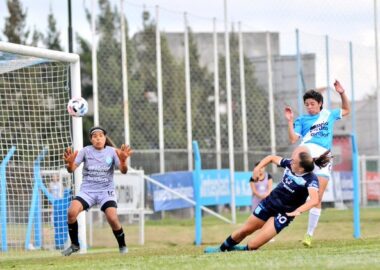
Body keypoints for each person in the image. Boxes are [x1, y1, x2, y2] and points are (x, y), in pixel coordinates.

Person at [204, 146, 330, 253]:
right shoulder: (290, 164)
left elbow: (314, 200)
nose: (291, 162)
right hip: (270, 203)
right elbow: (271, 158)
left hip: (284, 213)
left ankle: (240, 250)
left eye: (294, 162)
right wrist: (257, 168)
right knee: (245, 230)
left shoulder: (311, 179)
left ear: (301, 168)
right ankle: (221, 249)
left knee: (253, 245)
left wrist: (298, 211)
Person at [284, 80, 350, 247]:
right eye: (306, 104)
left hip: (323, 158)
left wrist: (341, 93)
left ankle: (309, 235)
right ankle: (280, 219)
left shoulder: (328, 114)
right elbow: (293, 139)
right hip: (305, 156)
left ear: (320, 104)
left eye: (312, 104)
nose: (309, 107)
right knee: (292, 192)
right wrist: (290, 121)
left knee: (317, 197)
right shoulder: (302, 119)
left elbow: (347, 110)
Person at [61, 126, 133, 256]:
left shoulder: (113, 152)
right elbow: (71, 170)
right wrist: (70, 164)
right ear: (91, 139)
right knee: (71, 212)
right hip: (87, 191)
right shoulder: (85, 151)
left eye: (101, 136)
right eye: (95, 136)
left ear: (105, 138)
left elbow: (124, 171)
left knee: (112, 218)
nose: (98, 138)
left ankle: (122, 246)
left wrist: (123, 161)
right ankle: (75, 244)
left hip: (106, 191)